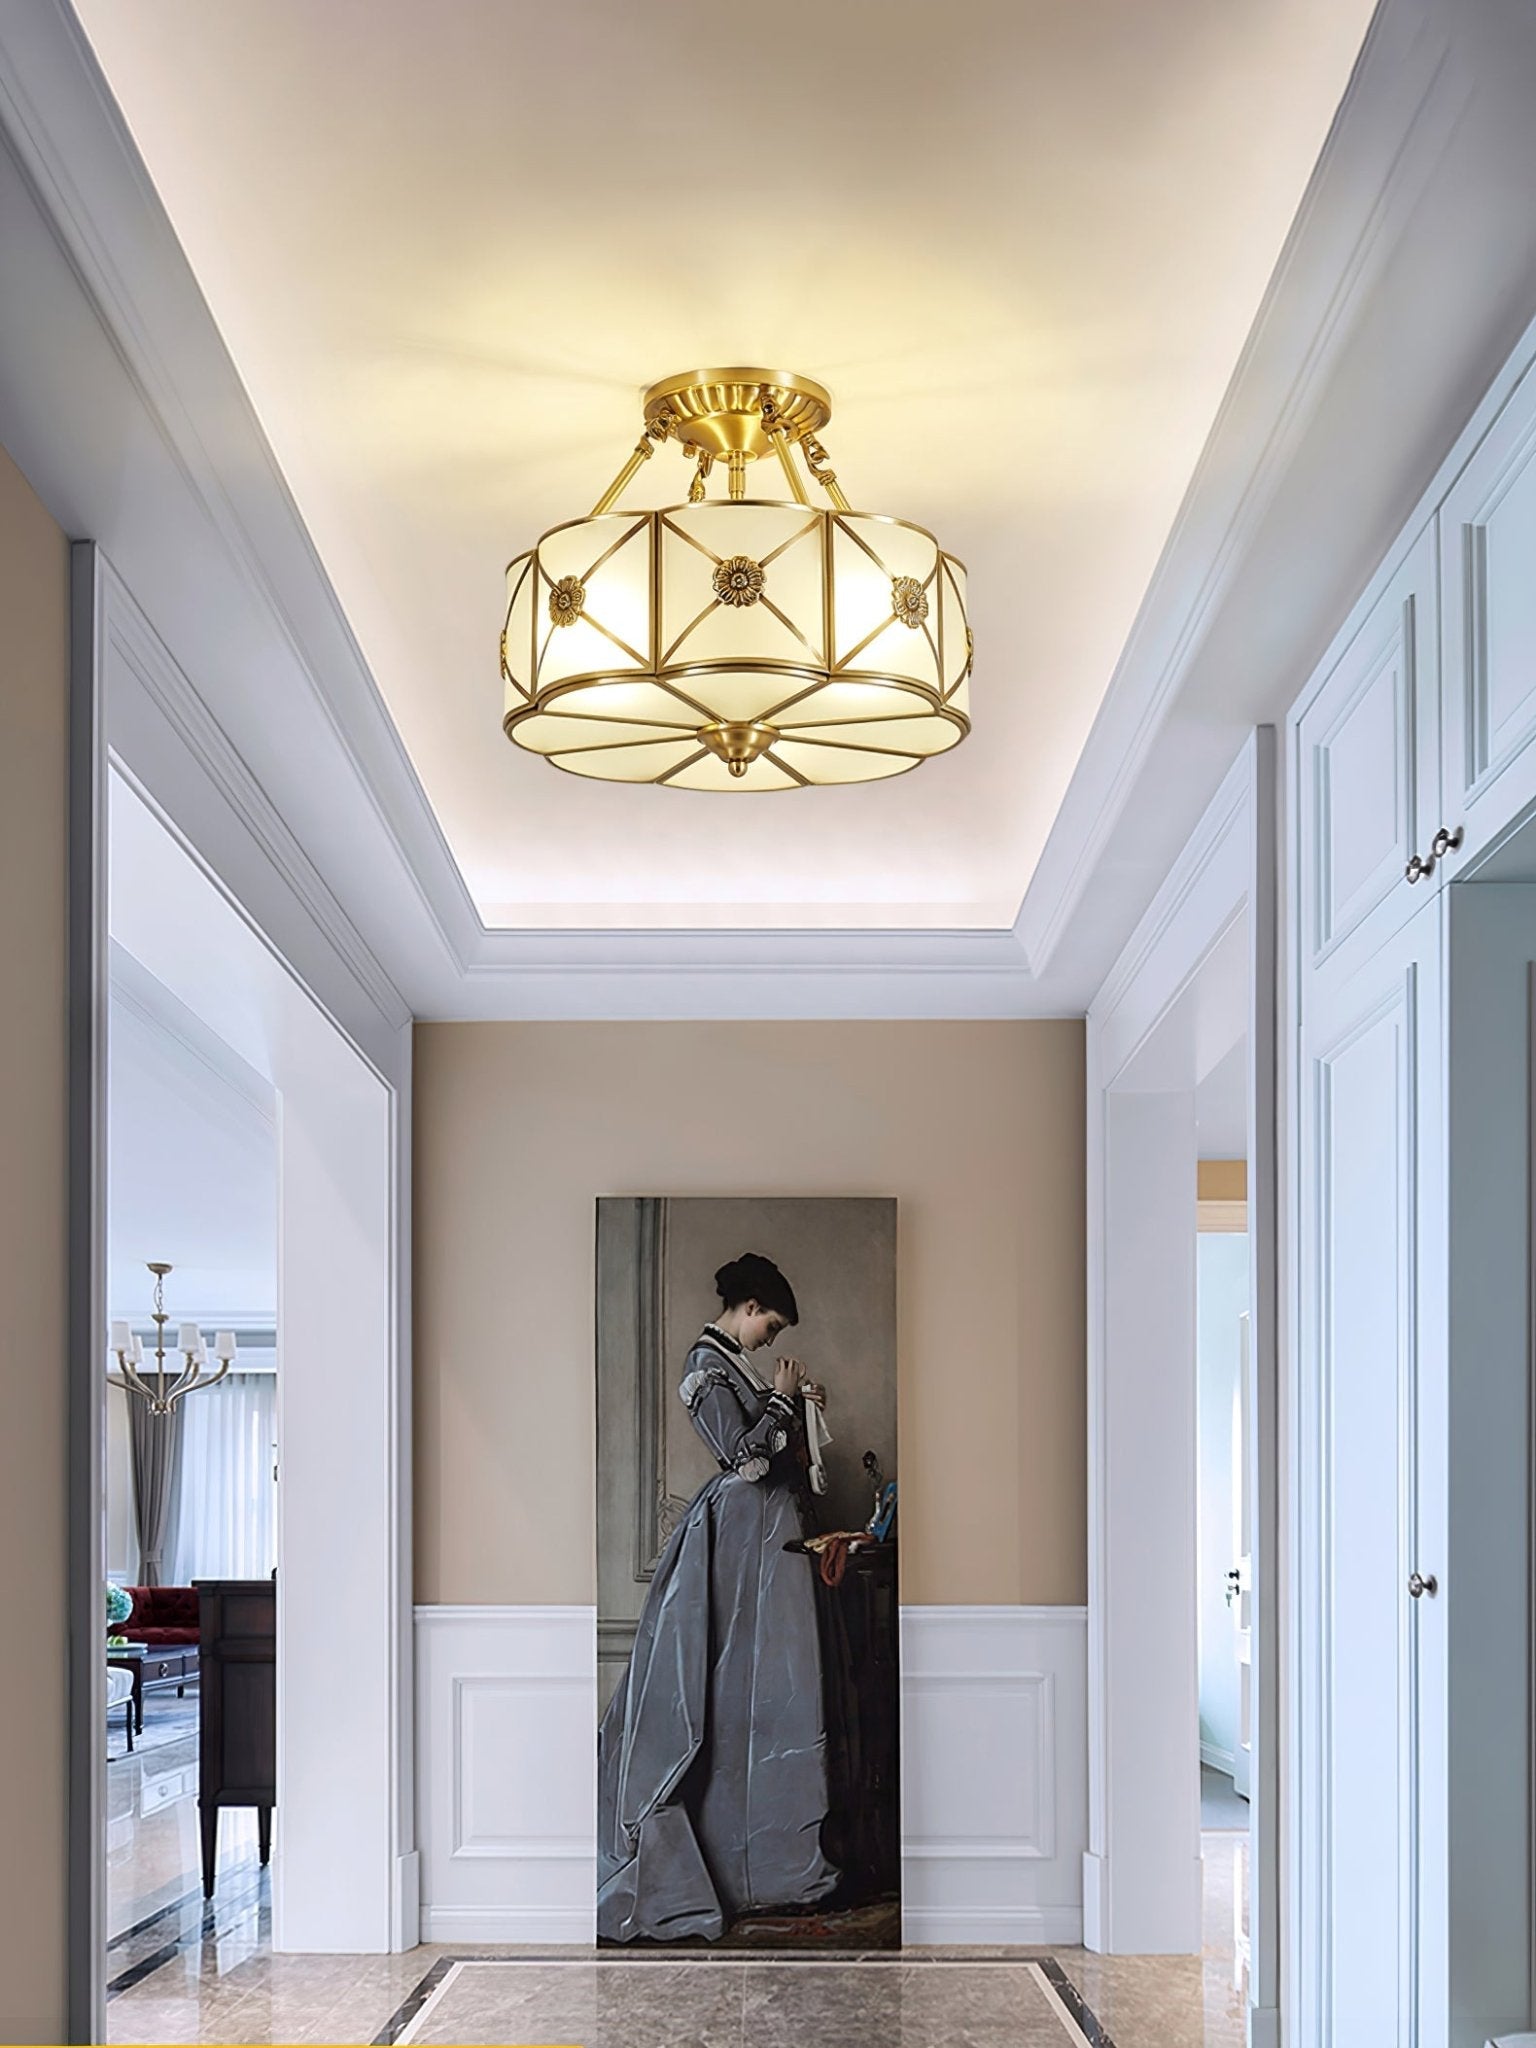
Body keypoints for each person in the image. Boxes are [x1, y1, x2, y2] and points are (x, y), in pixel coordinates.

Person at [596, 1251, 838, 1942]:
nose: (771, 1339)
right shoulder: (704, 1367)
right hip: (735, 1542)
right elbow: (747, 1460)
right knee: (732, 1689)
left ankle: (774, 1866)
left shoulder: (735, 1365)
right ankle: (731, 1871)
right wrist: (782, 1402)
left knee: (773, 1689)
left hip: (762, 1540)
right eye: (772, 1326)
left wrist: (798, 1407)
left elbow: (772, 1449)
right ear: (750, 1308)